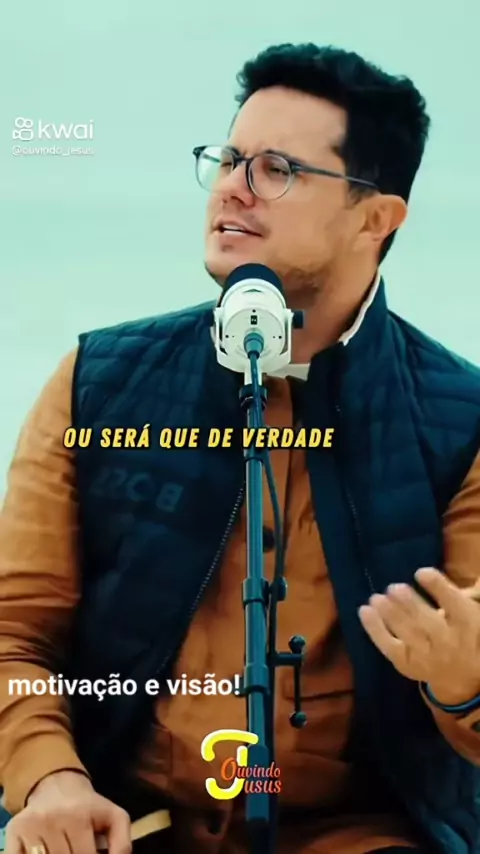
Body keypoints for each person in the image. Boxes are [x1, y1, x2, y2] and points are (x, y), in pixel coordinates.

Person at [0, 42, 480, 854]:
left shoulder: (461, 423)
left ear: (375, 218)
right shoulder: (98, 382)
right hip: (123, 820)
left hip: (353, 835)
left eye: (277, 169)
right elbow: (15, 633)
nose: (232, 186)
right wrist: (51, 781)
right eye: (228, 160)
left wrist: (463, 681)